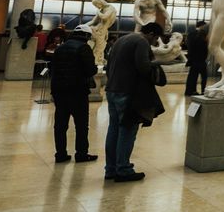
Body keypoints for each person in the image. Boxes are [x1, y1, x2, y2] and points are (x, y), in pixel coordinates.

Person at [105, 22, 164, 182]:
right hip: (128, 92)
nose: (155, 41)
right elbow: (143, 67)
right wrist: (155, 65)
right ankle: (123, 169)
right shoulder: (141, 42)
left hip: (112, 90)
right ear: (151, 33)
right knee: (127, 130)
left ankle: (110, 169)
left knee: (114, 129)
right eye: (156, 37)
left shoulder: (122, 39)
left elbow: (108, 65)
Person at [51, 24, 98, 164]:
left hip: (59, 90)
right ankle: (81, 153)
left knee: (60, 125)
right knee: (81, 124)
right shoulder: (84, 48)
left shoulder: (60, 48)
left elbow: (54, 69)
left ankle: (60, 154)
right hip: (77, 91)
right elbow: (91, 70)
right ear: (86, 36)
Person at [184, 21, 209, 96]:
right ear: (202, 26)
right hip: (200, 59)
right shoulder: (203, 36)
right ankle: (203, 91)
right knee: (203, 77)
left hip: (193, 59)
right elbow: (204, 48)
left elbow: (189, 46)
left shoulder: (191, 34)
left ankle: (190, 91)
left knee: (192, 76)